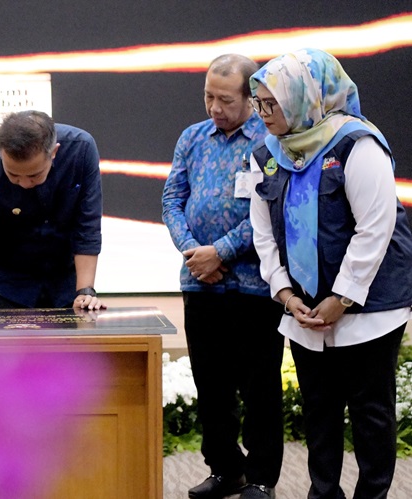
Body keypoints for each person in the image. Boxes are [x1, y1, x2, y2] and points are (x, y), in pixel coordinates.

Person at [249, 48, 412, 499]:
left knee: (370, 411)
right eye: (258, 103)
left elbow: (375, 228)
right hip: (303, 305)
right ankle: (322, 493)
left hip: (370, 304)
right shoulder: (265, 152)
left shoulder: (357, 144)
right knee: (319, 409)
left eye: (271, 103)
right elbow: (263, 231)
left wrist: (341, 298)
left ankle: (373, 494)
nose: (262, 114)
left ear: (304, 98)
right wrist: (283, 291)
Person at [162, 54, 285, 499]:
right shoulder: (192, 137)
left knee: (260, 389)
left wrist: (222, 253)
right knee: (210, 386)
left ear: (251, 98)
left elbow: (271, 210)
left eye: (225, 99)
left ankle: (261, 478)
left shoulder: (270, 140)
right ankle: (224, 469)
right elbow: (172, 199)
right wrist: (194, 253)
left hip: (254, 287)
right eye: (209, 96)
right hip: (200, 284)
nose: (215, 107)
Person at [0, 110, 105, 310]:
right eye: (13, 175)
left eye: (34, 175)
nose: (24, 183)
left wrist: (85, 292)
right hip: (4, 290)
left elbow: (87, 227)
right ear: (1, 152)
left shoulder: (81, 150)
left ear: (54, 152)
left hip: (66, 287)